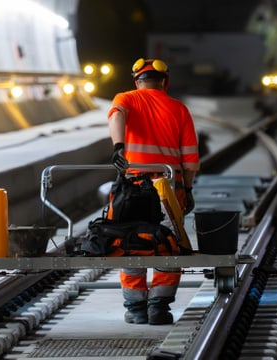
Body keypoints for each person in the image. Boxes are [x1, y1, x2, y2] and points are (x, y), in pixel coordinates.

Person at [107, 58, 199, 325]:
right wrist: (189, 189)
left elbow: (117, 114)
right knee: (169, 243)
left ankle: (135, 308)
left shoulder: (126, 98)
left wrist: (118, 146)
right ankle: (159, 307)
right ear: (165, 82)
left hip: (132, 186)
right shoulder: (179, 109)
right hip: (169, 187)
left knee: (128, 242)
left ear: (137, 80)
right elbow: (190, 159)